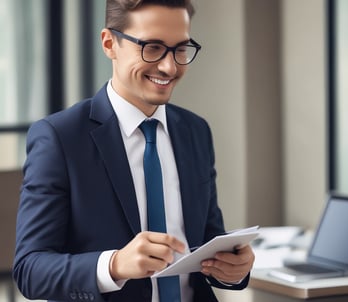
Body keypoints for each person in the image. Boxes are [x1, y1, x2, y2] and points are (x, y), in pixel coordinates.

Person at [13, 0, 255, 301]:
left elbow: (208, 241)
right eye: (152, 47)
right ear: (109, 43)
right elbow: (30, 269)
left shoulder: (196, 131)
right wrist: (114, 265)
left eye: (180, 49)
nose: (170, 66)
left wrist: (234, 269)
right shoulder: (60, 138)